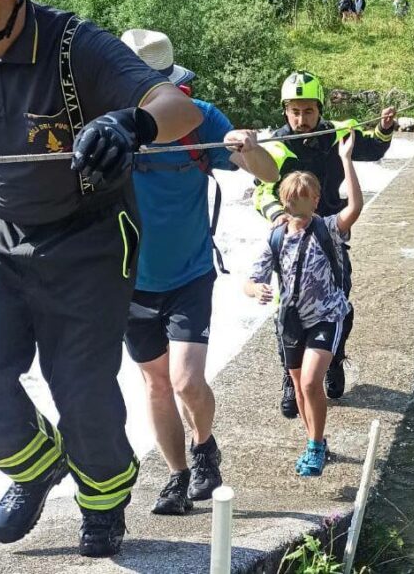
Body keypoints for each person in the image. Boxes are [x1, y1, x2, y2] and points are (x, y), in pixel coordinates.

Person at [0, 0, 202, 557]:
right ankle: (36, 465)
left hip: (88, 237)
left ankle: (104, 498)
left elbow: (177, 108)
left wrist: (130, 123)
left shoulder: (76, 45)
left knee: (80, 387)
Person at [120, 29, 278, 516]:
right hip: (127, 278)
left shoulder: (199, 119)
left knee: (186, 380)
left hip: (189, 273)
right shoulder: (104, 126)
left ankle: (204, 446)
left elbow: (269, 174)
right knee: (156, 384)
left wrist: (248, 147)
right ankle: (175, 476)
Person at [252, 72, 395, 418]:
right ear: (285, 112)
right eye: (295, 112)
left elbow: (371, 148)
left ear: (319, 109)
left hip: (330, 234)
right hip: (292, 241)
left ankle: (334, 358)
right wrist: (278, 219)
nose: (302, 120)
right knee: (289, 309)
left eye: (308, 112)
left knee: (339, 304)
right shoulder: (275, 147)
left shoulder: (337, 133)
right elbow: (260, 192)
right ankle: (291, 377)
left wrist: (385, 129)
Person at [244, 135, 361, 477]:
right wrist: (257, 291)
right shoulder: (276, 236)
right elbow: (251, 279)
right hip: (291, 319)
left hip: (327, 317)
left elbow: (354, 207)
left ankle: (315, 444)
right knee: (298, 386)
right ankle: (316, 442)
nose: (295, 203)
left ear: (315, 199)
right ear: (283, 201)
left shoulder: (328, 229)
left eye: (303, 197)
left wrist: (347, 159)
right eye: (290, 198)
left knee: (311, 382)